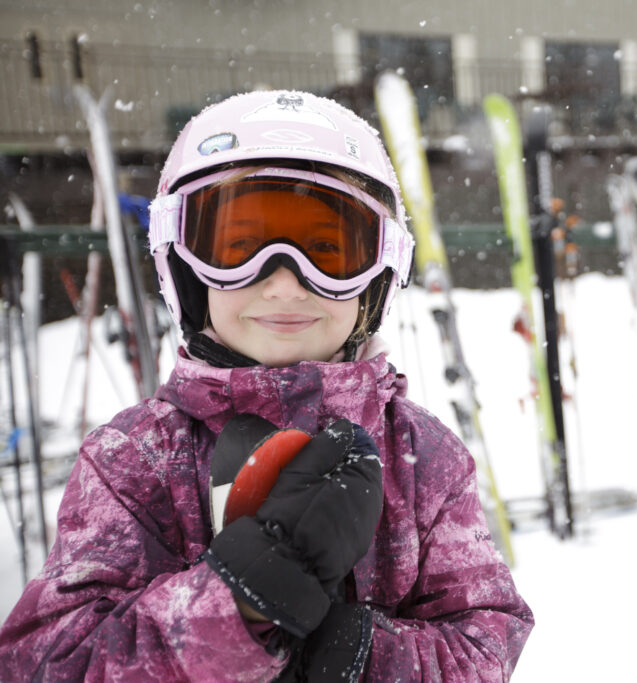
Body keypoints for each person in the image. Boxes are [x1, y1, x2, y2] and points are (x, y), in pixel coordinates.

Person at [0, 90, 533, 681]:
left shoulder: (422, 456)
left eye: (329, 249)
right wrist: (237, 604)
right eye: (238, 245)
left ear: (380, 269)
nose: (284, 283)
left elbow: (485, 641)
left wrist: (361, 658)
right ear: (183, 264)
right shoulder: (134, 460)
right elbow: (51, 661)